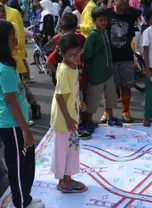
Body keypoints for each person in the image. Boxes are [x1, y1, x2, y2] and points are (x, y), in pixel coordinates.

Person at [0, 20, 45, 208]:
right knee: (19, 167)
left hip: (17, 124)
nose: (15, 42)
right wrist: (25, 130)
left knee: (26, 163)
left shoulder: (8, 65)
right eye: (12, 38)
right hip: (13, 126)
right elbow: (11, 102)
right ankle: (21, 203)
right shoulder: (4, 70)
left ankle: (24, 198)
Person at [50, 33, 87, 194]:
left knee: (71, 148)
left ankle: (67, 178)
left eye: (77, 53)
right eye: (71, 55)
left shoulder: (72, 67)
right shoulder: (65, 70)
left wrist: (79, 102)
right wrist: (69, 120)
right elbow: (59, 97)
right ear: (61, 54)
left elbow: (72, 90)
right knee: (63, 149)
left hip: (70, 115)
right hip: (65, 119)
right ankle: (64, 181)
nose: (75, 57)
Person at [82, 6, 122, 128]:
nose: (104, 22)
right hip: (96, 74)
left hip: (107, 72)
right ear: (94, 21)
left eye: (105, 20)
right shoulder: (92, 35)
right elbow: (86, 55)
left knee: (110, 97)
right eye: (100, 20)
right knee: (93, 100)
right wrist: (90, 71)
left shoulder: (105, 32)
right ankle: (88, 121)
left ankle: (110, 117)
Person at [104, 0, 141, 123]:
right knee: (109, 87)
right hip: (111, 57)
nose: (125, 1)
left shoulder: (131, 13)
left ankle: (126, 111)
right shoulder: (107, 13)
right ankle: (107, 112)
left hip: (126, 56)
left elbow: (139, 12)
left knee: (126, 85)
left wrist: (127, 7)